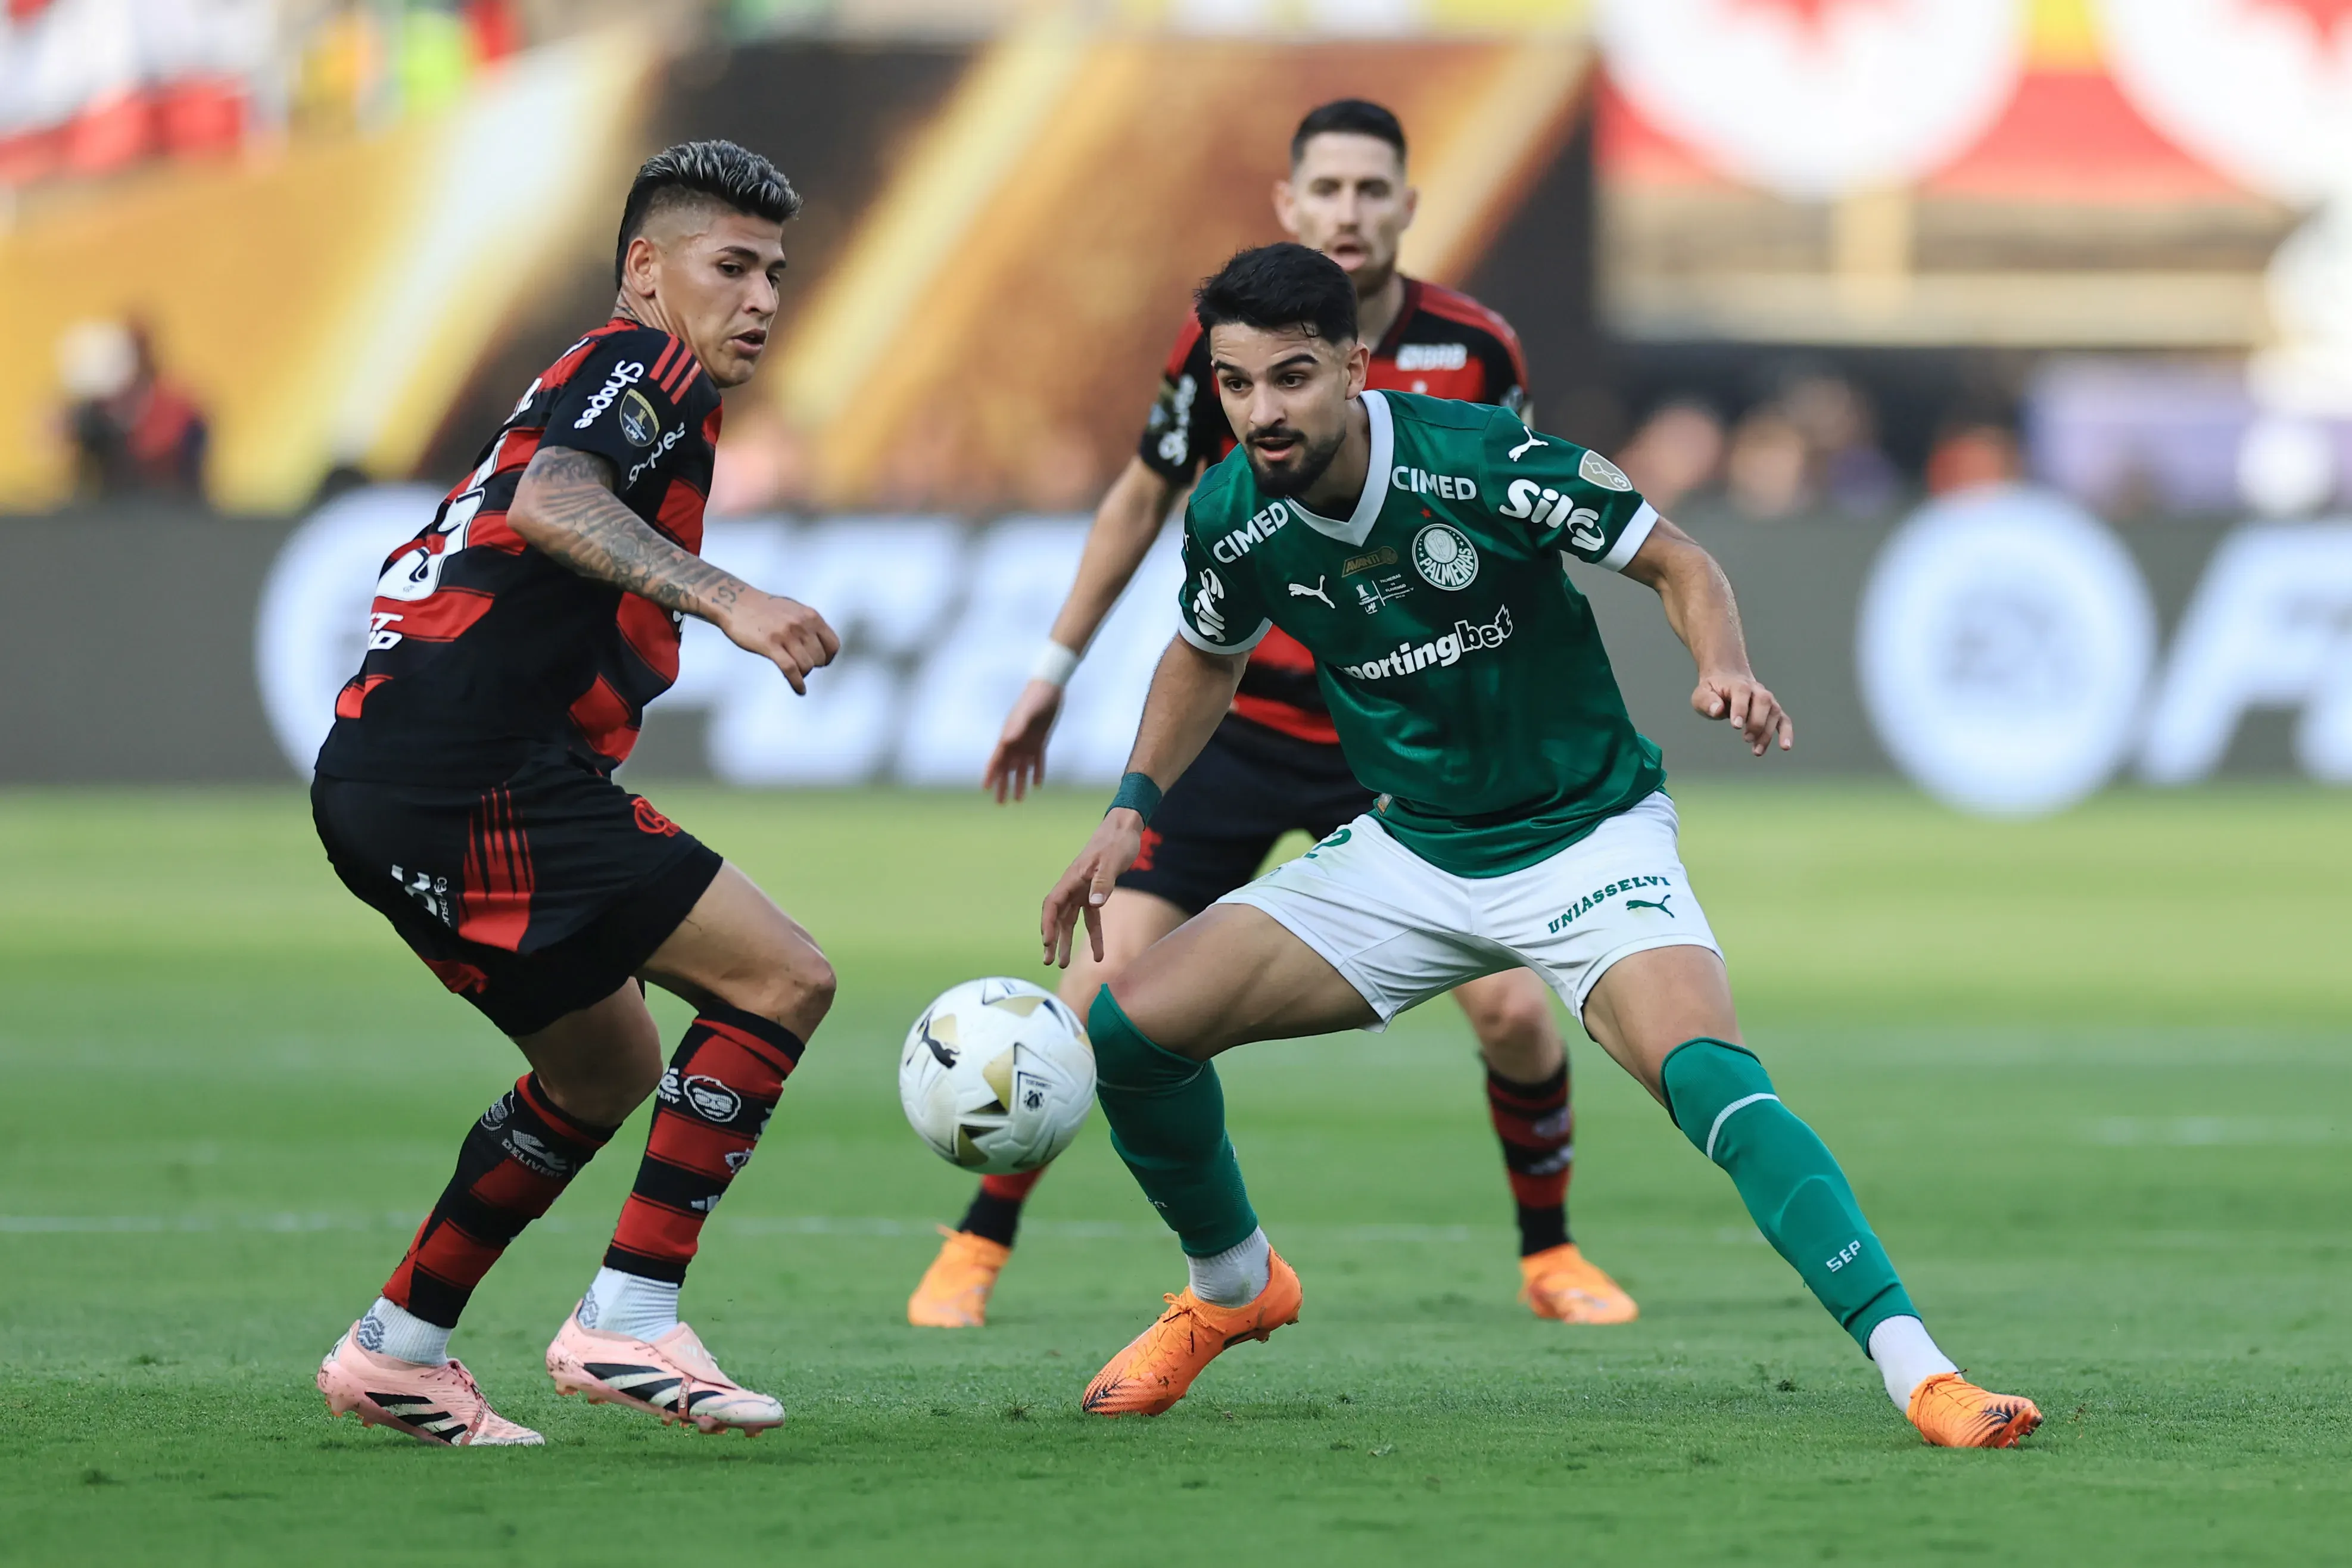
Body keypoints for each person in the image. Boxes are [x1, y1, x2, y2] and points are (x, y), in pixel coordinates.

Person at [1039, 243, 2042, 1449]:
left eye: (1293, 378)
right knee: (1127, 1032)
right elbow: (1208, 649)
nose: (1263, 412)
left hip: (1584, 835)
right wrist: (1129, 804)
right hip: (1409, 852)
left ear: (1356, 363)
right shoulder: (1231, 516)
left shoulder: (1480, 465)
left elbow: (1679, 556)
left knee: (1708, 1073)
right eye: (1237, 384)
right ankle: (1234, 1284)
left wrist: (1721, 663)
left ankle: (1919, 1367)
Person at [907, 98, 1635, 1334]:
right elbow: (1141, 502)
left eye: (1372, 189)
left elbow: (1515, 539)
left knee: (1513, 1007)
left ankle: (1550, 1251)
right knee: (1100, 986)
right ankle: (977, 1243)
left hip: (1398, 745)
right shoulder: (1225, 350)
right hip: (1242, 734)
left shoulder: (1476, 351)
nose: (1350, 210)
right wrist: (1052, 666)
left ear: (1408, 205)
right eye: (1328, 191)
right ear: (1290, 208)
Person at [308, 141, 843, 1446]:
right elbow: (555, 499)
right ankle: (629, 1315)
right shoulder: (635, 361)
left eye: (776, 271)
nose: (763, 297)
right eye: (732, 267)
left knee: (603, 1065)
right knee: (783, 979)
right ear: (646, 271)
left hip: (391, 777)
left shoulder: (624, 383)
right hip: (470, 771)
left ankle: (400, 1346)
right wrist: (734, 600)